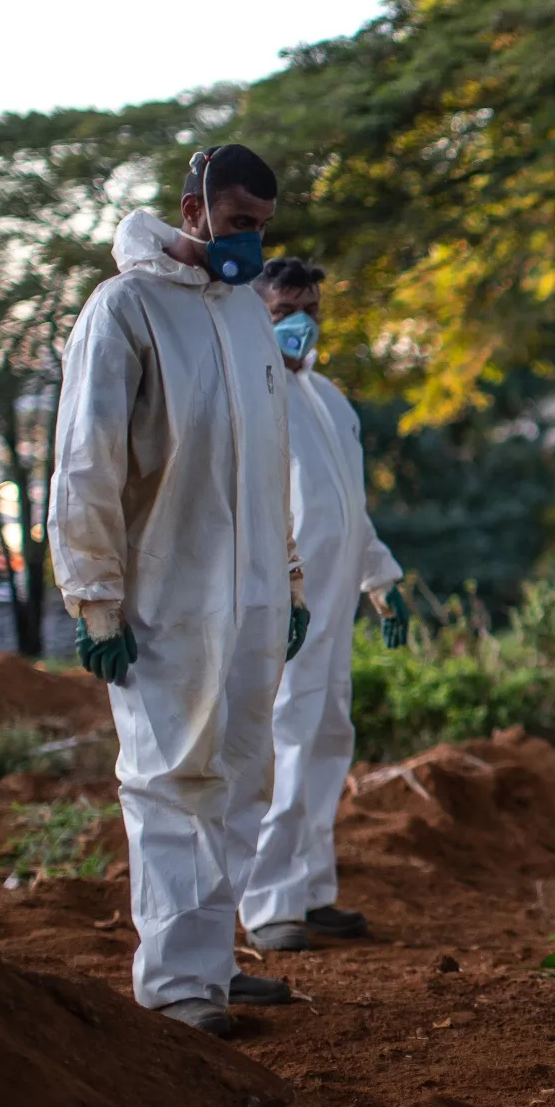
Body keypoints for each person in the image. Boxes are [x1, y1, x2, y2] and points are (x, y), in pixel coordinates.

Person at [48, 144, 310, 1037]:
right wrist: (93, 594)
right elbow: (86, 461)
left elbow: (269, 461)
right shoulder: (124, 309)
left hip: (252, 598)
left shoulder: (243, 313)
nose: (251, 245)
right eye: (239, 225)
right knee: (170, 785)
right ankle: (176, 986)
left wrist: (292, 579)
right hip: (164, 595)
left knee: (237, 780)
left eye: (263, 229)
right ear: (192, 209)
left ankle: (214, 962)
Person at [239, 257, 407, 952]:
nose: (302, 323)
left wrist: (380, 582)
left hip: (335, 602)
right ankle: (270, 903)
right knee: (287, 741)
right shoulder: (254, 390)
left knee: (328, 738)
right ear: (256, 314)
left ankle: (310, 892)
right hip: (288, 598)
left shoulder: (329, 399)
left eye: (311, 308)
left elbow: (350, 506)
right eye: (284, 312)